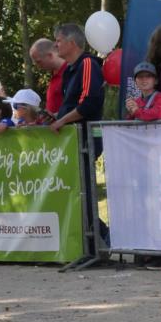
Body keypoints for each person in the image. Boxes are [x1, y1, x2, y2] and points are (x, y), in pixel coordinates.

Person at [50, 23, 108, 248]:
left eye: (59, 40)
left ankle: (102, 239)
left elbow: (89, 103)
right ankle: (91, 242)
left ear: (72, 43)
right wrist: (55, 116)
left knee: (83, 191)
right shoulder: (71, 69)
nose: (56, 45)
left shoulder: (86, 64)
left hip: (85, 137)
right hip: (73, 138)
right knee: (77, 191)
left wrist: (62, 120)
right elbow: (72, 104)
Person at [30, 38, 67, 117]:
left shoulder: (70, 72)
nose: (38, 66)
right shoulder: (54, 75)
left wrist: (56, 117)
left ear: (50, 55)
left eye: (38, 62)